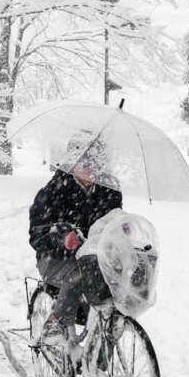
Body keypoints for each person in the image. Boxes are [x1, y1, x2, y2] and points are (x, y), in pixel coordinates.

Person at [28, 132, 122, 334]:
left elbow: (114, 222)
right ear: (72, 160)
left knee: (113, 300)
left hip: (97, 260)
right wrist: (62, 240)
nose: (92, 167)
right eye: (86, 161)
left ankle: (96, 357)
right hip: (54, 259)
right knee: (83, 274)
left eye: (97, 161)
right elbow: (36, 236)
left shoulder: (110, 191)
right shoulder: (53, 191)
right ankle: (55, 324)